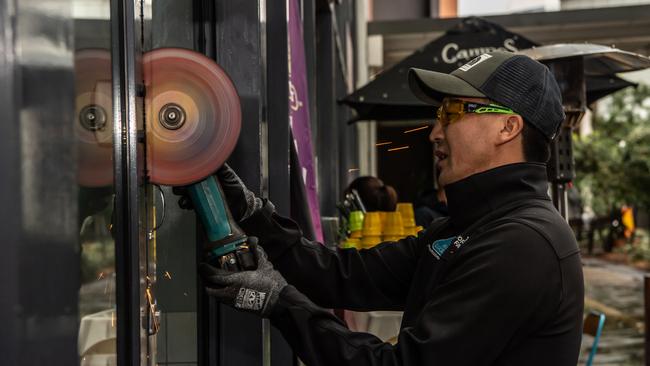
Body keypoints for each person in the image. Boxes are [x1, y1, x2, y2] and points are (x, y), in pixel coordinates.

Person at [199, 51, 584, 365]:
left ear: (508, 128)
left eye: (452, 112)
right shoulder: (469, 226)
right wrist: (253, 213)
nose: (435, 132)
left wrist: (281, 303)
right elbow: (343, 276)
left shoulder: (521, 245)